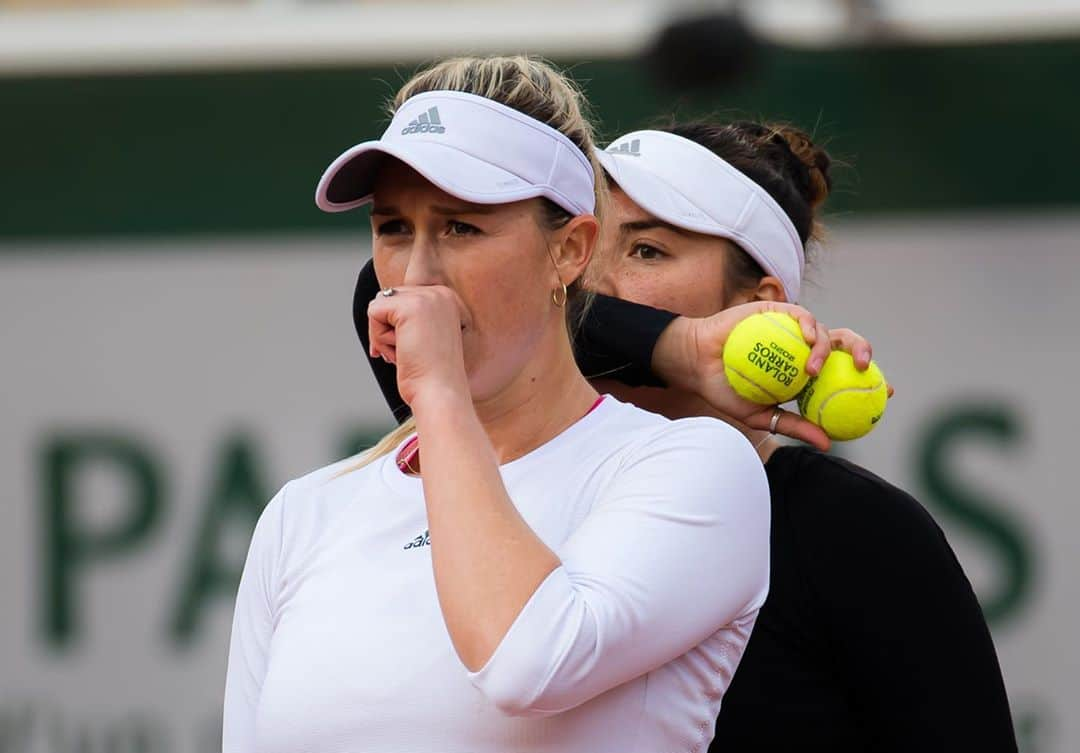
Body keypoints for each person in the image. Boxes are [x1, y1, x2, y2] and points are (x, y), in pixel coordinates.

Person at [222, 56, 839, 753]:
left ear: (571, 250)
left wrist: (441, 392)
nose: (417, 275)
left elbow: (526, 661)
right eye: (393, 228)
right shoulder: (303, 515)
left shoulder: (693, 466)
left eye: (462, 228)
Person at [355, 121, 1019, 751]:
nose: (591, 285)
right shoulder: (507, 477)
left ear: (758, 306)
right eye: (582, 251)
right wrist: (676, 344)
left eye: (647, 249)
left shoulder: (855, 530)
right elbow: (380, 294)